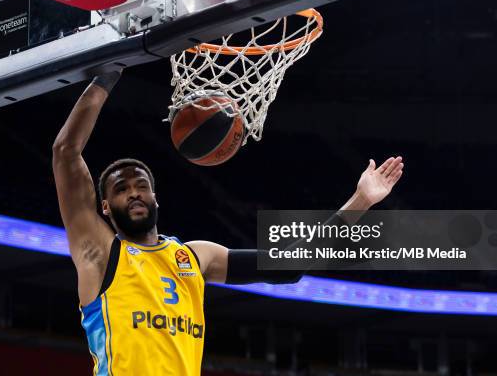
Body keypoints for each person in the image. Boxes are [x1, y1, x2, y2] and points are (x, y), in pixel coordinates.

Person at [52, 70, 404, 376]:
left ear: (156, 198)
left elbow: (288, 267)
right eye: (121, 189)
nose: (133, 193)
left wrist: (362, 200)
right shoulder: (99, 253)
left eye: (141, 186)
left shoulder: (193, 258)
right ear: (105, 208)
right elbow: (66, 151)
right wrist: (108, 75)